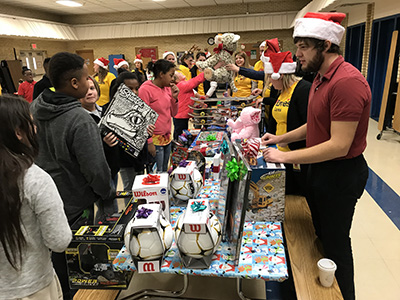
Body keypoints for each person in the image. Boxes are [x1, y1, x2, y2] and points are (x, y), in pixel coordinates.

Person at [262, 12, 371, 300]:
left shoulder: (347, 82)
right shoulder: (321, 78)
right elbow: (316, 124)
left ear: (325, 45)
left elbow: (339, 145)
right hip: (320, 170)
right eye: (297, 47)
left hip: (340, 174)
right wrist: (281, 139)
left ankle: (345, 295)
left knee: (336, 244)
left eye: (303, 47)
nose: (297, 54)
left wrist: (283, 158)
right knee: (319, 235)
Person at [30, 52, 115, 300]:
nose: (91, 82)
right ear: (75, 83)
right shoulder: (79, 119)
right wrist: (107, 193)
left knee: (57, 263)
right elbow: (96, 170)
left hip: (42, 201)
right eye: (87, 77)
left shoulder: (34, 107)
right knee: (82, 273)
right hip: (77, 205)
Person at [0, 95, 72, 300]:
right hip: (33, 287)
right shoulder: (35, 179)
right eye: (31, 124)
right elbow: (59, 240)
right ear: (18, 133)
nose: (36, 129)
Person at [263, 51, 311, 195]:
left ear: (281, 75)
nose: (270, 81)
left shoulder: (303, 90)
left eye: (270, 77)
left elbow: (310, 127)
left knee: (296, 202)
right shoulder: (282, 90)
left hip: (296, 159)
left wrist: (282, 140)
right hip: (279, 155)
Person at [109, 72, 155, 191]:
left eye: (136, 88)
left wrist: (147, 133)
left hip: (140, 159)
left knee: (140, 189)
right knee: (130, 191)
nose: (134, 92)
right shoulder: (111, 111)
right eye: (130, 89)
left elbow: (140, 136)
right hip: (125, 161)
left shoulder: (141, 109)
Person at [138, 59, 179, 172]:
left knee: (164, 171)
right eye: (171, 75)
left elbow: (173, 113)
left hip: (167, 138)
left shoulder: (167, 88)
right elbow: (142, 119)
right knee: (157, 175)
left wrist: (174, 98)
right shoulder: (145, 90)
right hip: (154, 141)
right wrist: (149, 142)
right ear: (161, 74)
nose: (172, 79)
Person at [173, 70, 205, 140]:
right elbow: (195, 81)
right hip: (180, 116)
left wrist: (199, 97)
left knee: (180, 133)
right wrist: (205, 74)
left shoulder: (181, 84)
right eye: (179, 73)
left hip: (181, 115)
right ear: (177, 79)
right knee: (180, 135)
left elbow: (192, 90)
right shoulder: (181, 85)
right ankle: (177, 148)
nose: (181, 73)